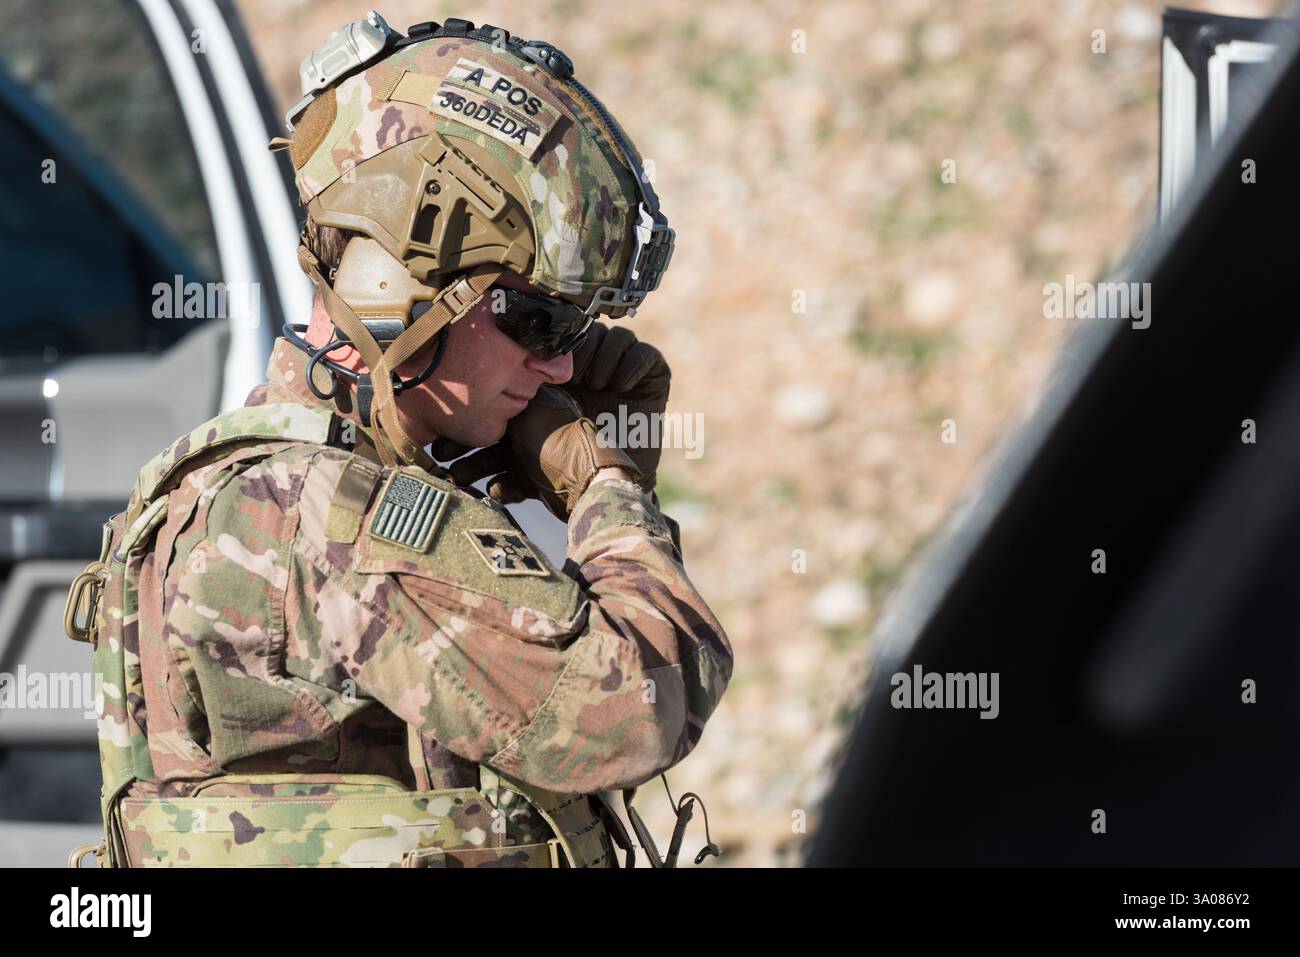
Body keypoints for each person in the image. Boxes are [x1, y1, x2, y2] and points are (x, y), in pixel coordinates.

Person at [63, 13, 731, 868]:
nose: (559, 364)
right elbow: (631, 713)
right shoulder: (327, 514)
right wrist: (606, 488)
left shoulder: (284, 485)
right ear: (395, 286)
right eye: (536, 319)